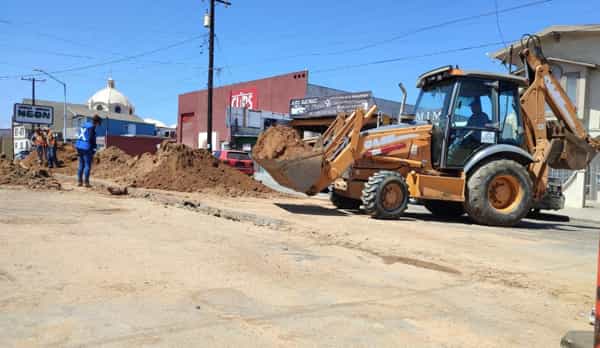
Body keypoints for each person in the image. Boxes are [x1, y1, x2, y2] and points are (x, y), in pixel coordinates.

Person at [75, 115, 102, 187]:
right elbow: (91, 139)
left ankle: (79, 182)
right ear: (96, 122)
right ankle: (86, 183)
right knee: (87, 165)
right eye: (99, 123)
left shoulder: (84, 125)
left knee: (81, 164)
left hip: (79, 145)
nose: (98, 125)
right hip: (86, 147)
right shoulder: (92, 127)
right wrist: (94, 148)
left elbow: (79, 134)